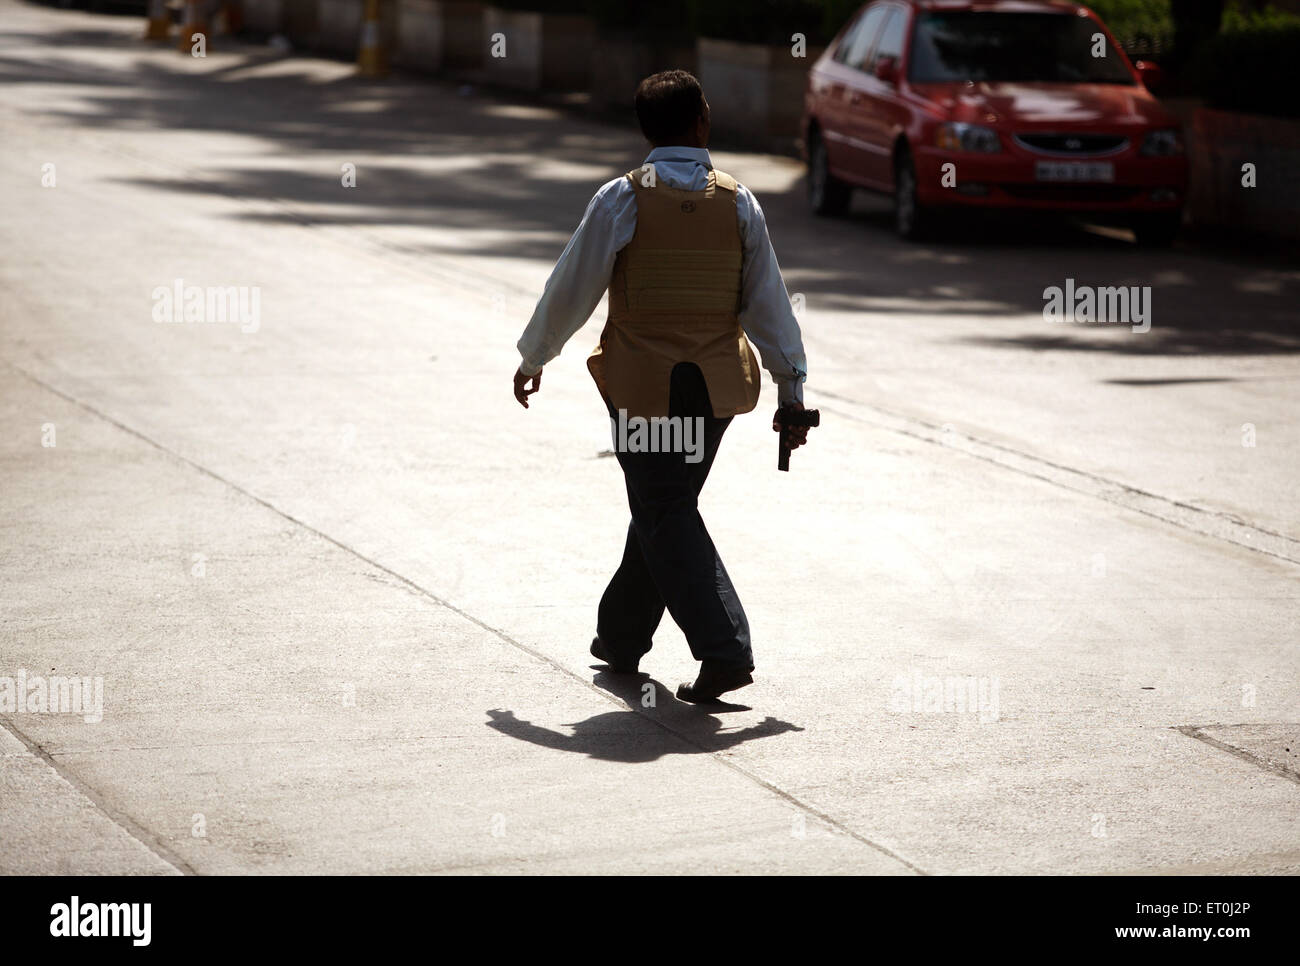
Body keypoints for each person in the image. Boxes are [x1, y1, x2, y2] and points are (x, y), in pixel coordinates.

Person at [512, 70, 809, 703]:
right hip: (714, 393)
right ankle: (620, 639)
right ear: (702, 119)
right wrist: (791, 387)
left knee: (664, 509)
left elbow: (573, 284)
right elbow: (769, 306)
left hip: (643, 389)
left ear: (646, 130)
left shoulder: (621, 199)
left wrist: (536, 354)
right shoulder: (738, 202)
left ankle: (725, 650)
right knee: (662, 507)